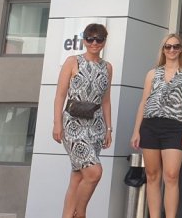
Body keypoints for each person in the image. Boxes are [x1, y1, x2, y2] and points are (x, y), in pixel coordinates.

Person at [131, 33, 182, 218]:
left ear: (181, 50)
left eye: (176, 46)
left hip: (175, 128)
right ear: (163, 50)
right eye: (168, 46)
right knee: (152, 175)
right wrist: (136, 130)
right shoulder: (152, 73)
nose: (172, 50)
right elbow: (144, 102)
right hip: (150, 126)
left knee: (171, 175)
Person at [53, 23, 113, 218]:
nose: (94, 43)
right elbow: (60, 95)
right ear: (84, 40)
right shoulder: (72, 61)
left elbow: (106, 100)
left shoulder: (107, 67)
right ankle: (81, 213)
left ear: (104, 41)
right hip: (73, 125)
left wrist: (108, 129)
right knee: (94, 172)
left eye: (99, 39)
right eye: (90, 38)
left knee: (78, 177)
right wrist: (57, 123)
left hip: (96, 126)